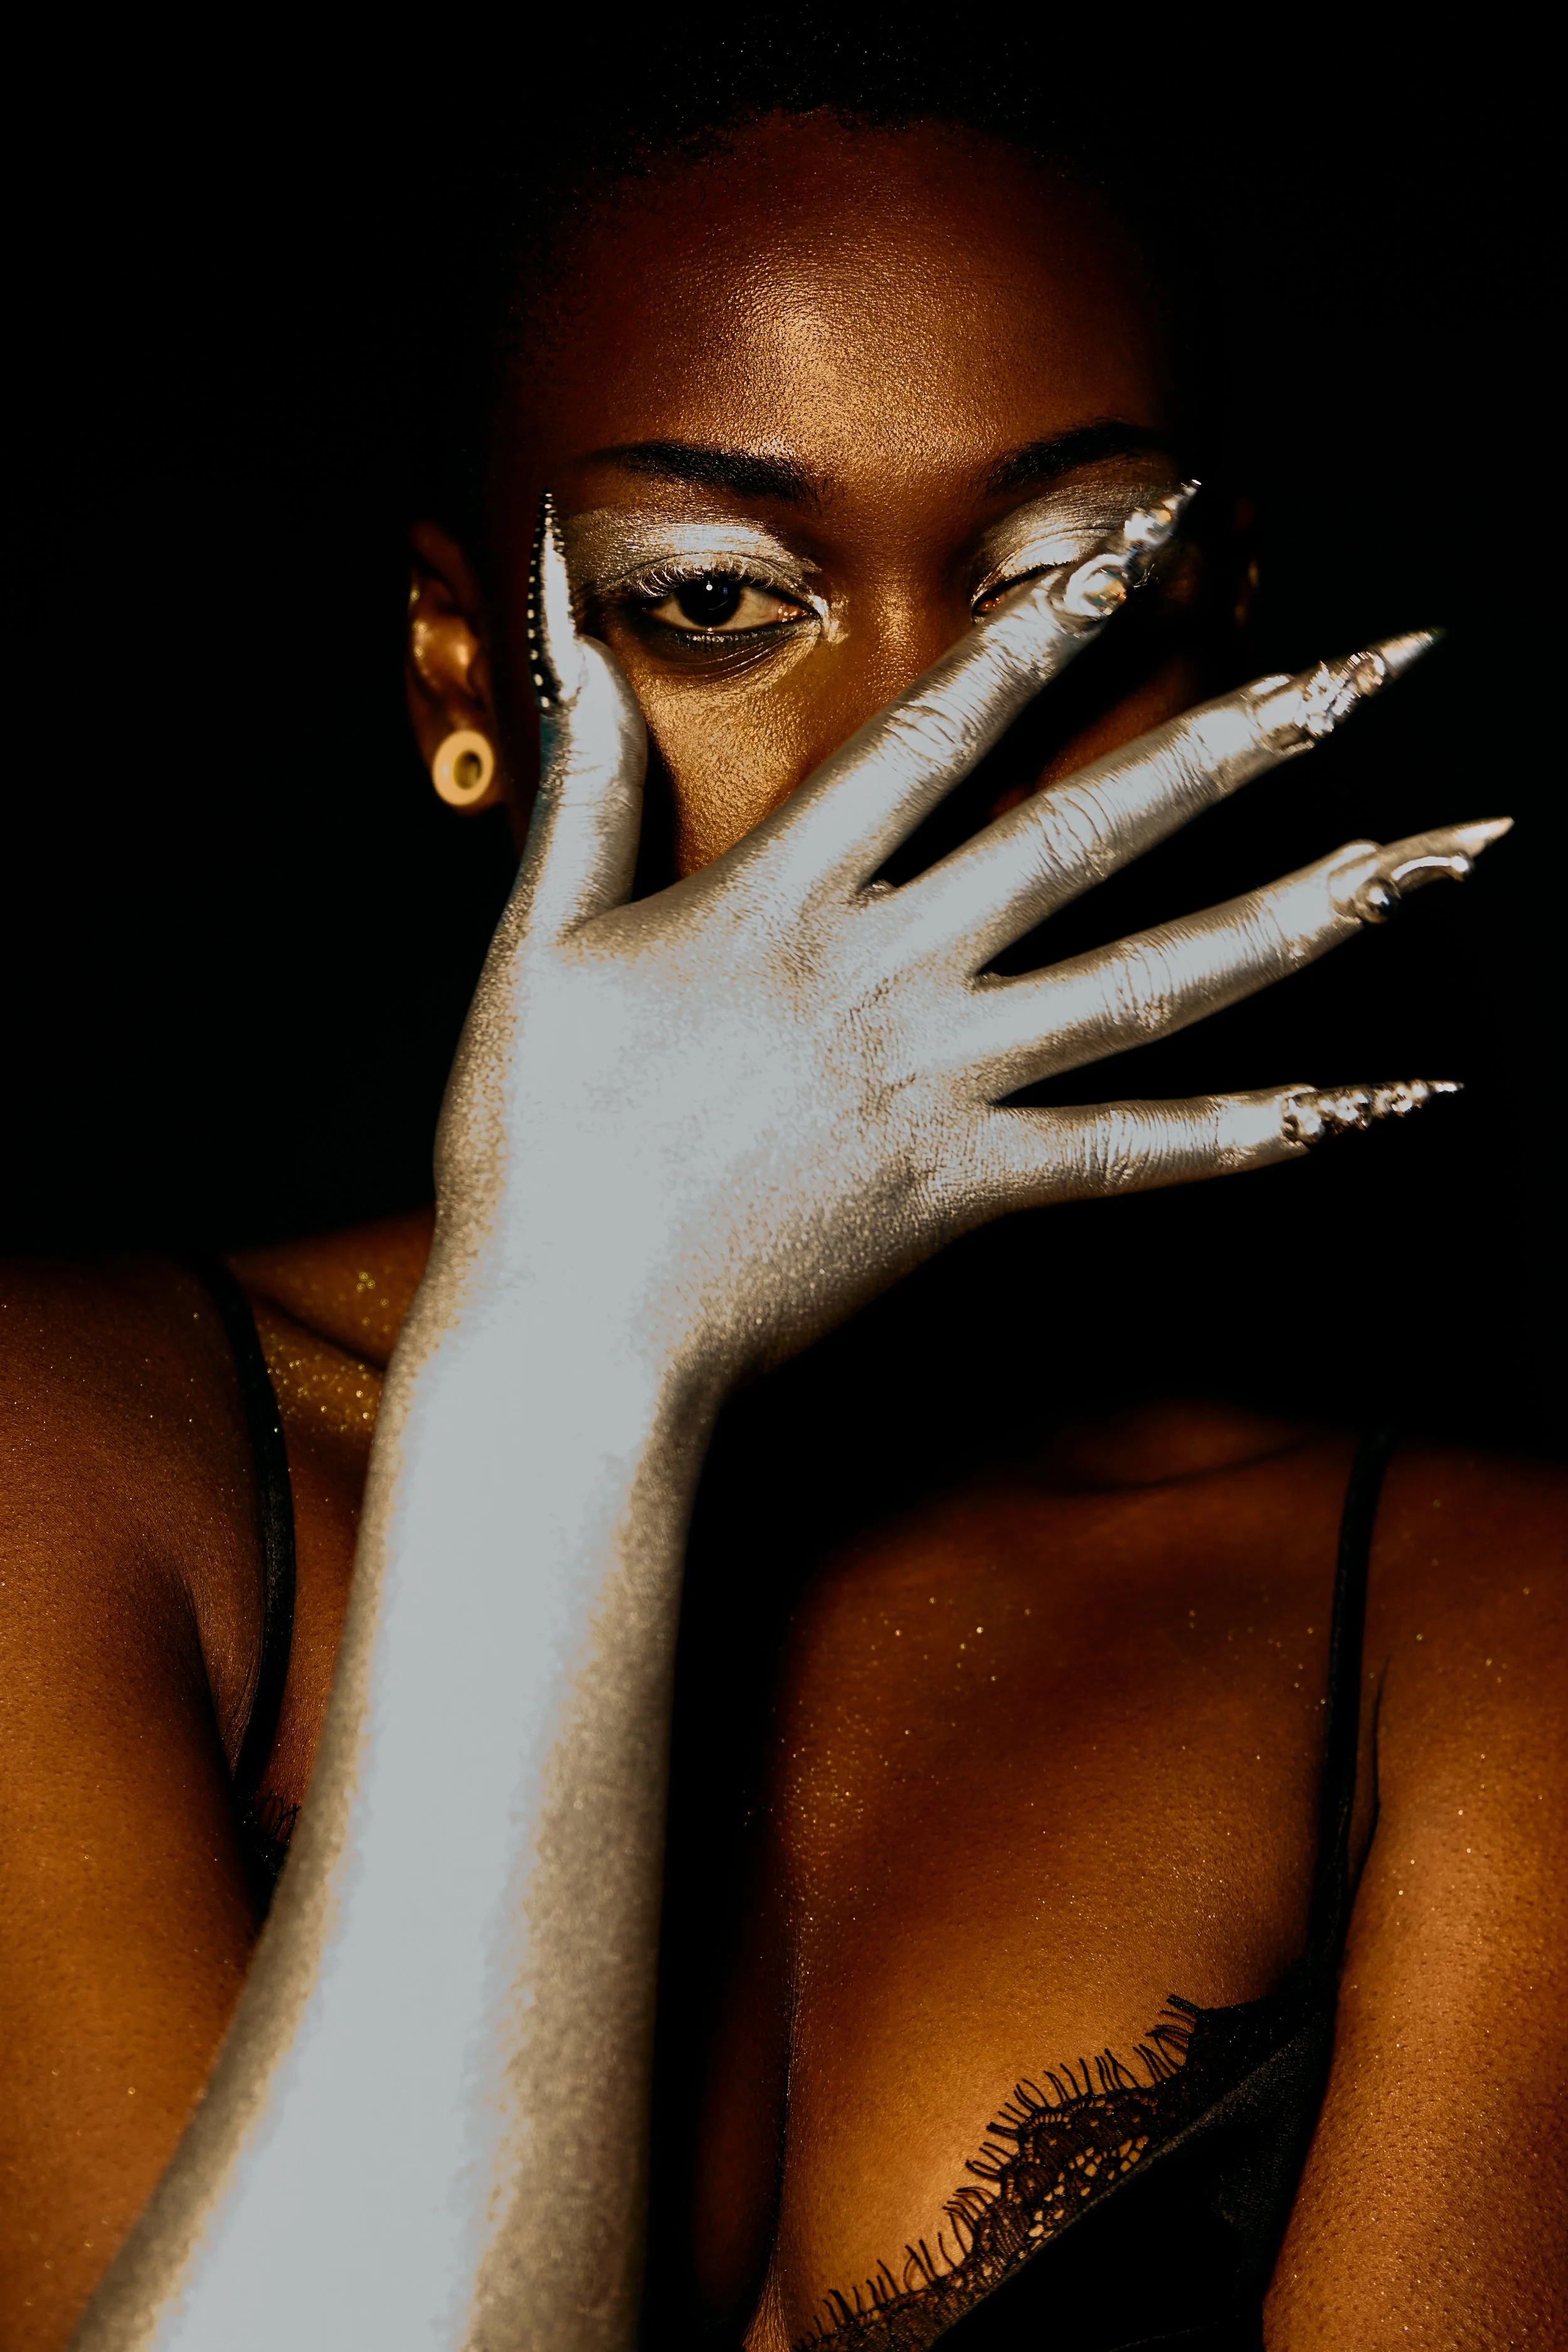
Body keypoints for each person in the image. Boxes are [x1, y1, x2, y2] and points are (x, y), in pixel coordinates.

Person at [2, 87, 1562, 2352]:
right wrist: (563, 1374)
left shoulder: (1479, 1637)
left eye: (1071, 589)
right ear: (470, 679)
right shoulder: (73, 1475)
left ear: (1221, 635)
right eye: (718, 602)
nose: (911, 757)